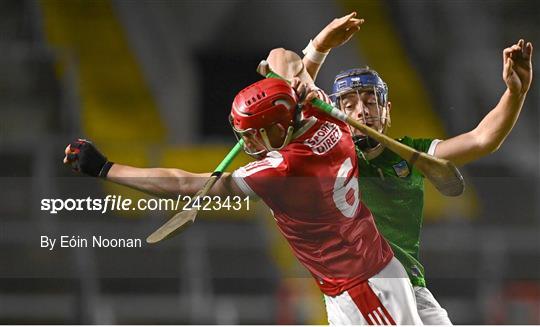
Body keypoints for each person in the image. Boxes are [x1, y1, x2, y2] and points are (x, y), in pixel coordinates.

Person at [64, 48, 423, 325]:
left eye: (256, 134)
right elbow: (283, 56)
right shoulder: (323, 111)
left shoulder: (284, 169)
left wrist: (107, 168)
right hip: (357, 277)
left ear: (280, 128)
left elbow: (183, 182)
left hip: (366, 287)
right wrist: (290, 82)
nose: (250, 143)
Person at [301, 12, 534, 325]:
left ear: (387, 110)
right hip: (359, 291)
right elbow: (293, 98)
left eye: (370, 101)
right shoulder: (329, 153)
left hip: (411, 288)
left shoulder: (413, 152)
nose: (362, 110)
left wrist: (515, 94)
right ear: (337, 112)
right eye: (350, 103)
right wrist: (319, 47)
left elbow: (482, 140)